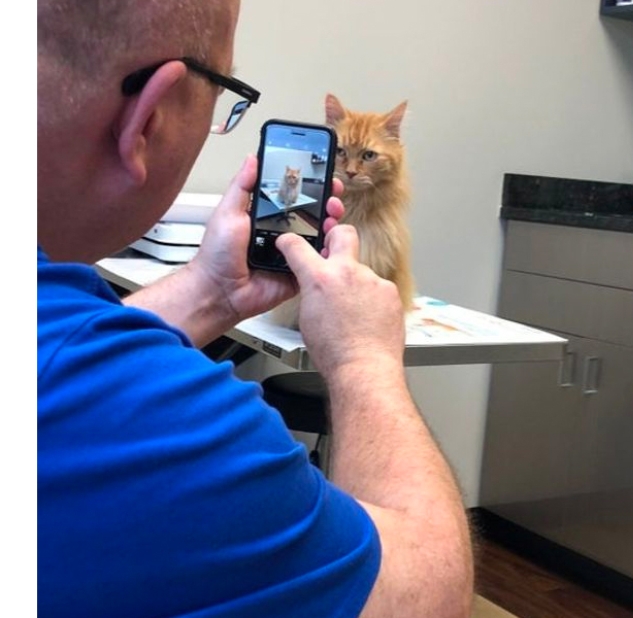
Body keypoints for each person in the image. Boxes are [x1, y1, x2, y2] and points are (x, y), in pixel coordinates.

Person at [37, 1, 473, 616]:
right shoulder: (165, 417)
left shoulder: (52, 330)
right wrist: (361, 359)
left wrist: (212, 289)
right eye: (225, 97)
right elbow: (428, 589)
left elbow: (79, 351)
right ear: (148, 117)